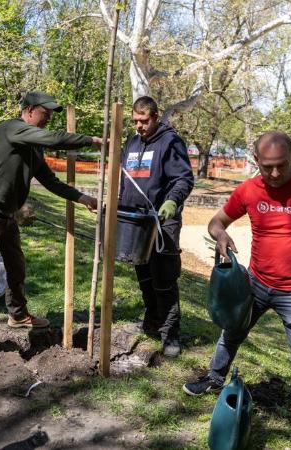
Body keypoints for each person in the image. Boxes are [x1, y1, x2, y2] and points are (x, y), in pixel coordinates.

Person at [182, 132, 291, 450]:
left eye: (281, 166)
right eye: (267, 167)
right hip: (256, 284)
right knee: (231, 333)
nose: (274, 174)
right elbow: (216, 222)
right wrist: (220, 236)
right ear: (256, 161)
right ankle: (214, 379)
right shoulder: (249, 189)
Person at [0, 91, 102, 368]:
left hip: (6, 215)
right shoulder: (11, 129)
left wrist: (83, 198)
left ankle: (18, 314)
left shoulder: (33, 149)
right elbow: (54, 138)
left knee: (16, 265)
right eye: (46, 113)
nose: (49, 118)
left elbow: (51, 182)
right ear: (30, 110)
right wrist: (90, 140)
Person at [119, 96, 194, 357]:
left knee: (164, 278)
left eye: (143, 121)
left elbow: (184, 178)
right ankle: (152, 322)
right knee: (144, 275)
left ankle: (171, 334)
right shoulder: (131, 143)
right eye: (135, 121)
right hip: (136, 221)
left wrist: (172, 201)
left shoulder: (170, 142)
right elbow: (124, 180)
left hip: (163, 221)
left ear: (156, 117)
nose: (139, 126)